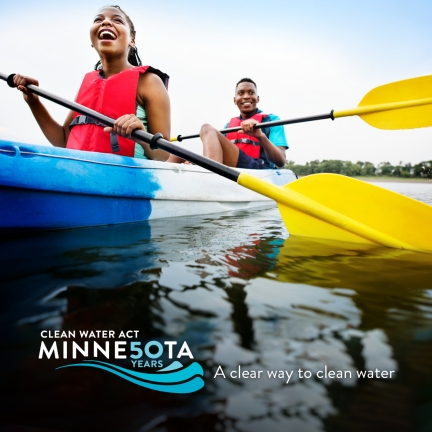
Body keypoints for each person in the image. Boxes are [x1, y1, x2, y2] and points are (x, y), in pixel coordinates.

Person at [13, 5, 170, 161]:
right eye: (98, 19)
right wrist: (34, 102)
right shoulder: (88, 84)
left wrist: (141, 136)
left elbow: (163, 154)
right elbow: (63, 140)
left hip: (126, 179)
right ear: (92, 41)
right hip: (79, 174)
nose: (106, 23)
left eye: (117, 20)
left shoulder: (150, 82)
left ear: (132, 41)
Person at [199, 78, 288, 169]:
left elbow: (281, 160)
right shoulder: (228, 126)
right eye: (241, 93)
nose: (246, 96)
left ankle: (210, 178)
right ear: (235, 100)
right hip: (234, 169)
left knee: (206, 128)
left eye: (251, 92)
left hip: (260, 169)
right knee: (185, 157)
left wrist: (260, 136)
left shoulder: (272, 120)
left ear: (258, 98)